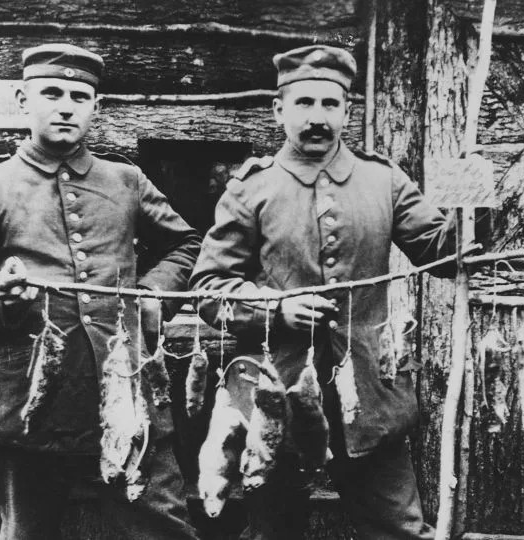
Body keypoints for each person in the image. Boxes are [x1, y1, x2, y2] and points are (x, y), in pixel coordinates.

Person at [189, 44, 457, 539]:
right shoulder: (251, 188)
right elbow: (208, 289)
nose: (317, 118)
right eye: (304, 103)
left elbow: (442, 254)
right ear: (279, 110)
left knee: (397, 527)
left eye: (329, 105)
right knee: (275, 530)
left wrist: (472, 202)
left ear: (347, 111)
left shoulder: (384, 181)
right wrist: (276, 308)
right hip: (275, 394)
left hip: (369, 397)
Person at [0, 43, 201, 539]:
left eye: (79, 96)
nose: (66, 105)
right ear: (23, 100)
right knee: (28, 531)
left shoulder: (125, 181)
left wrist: (151, 291)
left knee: (160, 526)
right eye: (52, 92)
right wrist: (2, 297)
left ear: (94, 108)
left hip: (124, 386)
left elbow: (185, 242)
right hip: (24, 397)